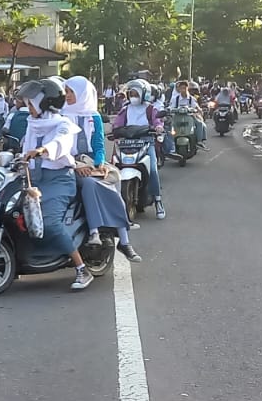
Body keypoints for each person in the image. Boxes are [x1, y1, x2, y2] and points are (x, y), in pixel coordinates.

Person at [17, 78, 96, 291]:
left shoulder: (63, 124)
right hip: (34, 178)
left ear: (44, 103)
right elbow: (25, 149)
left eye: (31, 103)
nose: (28, 107)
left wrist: (43, 151)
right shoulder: (32, 124)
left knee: (50, 223)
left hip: (59, 180)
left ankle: (82, 269)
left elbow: (60, 143)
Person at [62, 77, 142, 262]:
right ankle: (94, 231)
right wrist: (77, 165)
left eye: (71, 92)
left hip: (91, 162)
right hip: (71, 163)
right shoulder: (62, 116)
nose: (67, 95)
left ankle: (124, 240)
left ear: (82, 94)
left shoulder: (94, 116)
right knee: (90, 183)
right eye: (66, 91)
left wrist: (99, 164)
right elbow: (62, 148)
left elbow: (98, 145)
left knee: (113, 178)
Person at [111, 80, 167, 220]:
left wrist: (158, 127)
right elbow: (117, 123)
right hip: (126, 143)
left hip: (146, 142)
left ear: (144, 94)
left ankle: (158, 201)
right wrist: (115, 130)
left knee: (152, 169)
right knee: (113, 166)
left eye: (136, 94)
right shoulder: (125, 109)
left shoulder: (151, 109)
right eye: (131, 94)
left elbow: (157, 121)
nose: (133, 96)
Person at [165, 79, 205, 155]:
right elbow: (171, 106)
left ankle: (199, 141)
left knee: (199, 123)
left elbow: (196, 106)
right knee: (169, 128)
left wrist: (199, 110)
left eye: (185, 88)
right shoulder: (175, 98)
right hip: (177, 117)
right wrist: (168, 109)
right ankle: (171, 146)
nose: (183, 90)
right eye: (181, 88)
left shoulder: (191, 98)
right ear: (179, 89)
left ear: (187, 88)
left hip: (190, 117)